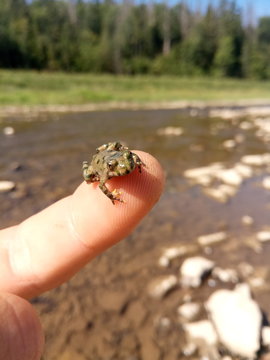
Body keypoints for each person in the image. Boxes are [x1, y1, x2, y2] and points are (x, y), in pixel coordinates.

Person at [0, 151, 164, 360]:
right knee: (89, 178)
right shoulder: (105, 173)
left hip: (110, 155)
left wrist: (135, 162)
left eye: (129, 161)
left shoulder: (126, 161)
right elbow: (103, 186)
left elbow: (127, 157)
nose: (126, 167)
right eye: (119, 167)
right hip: (101, 162)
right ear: (110, 169)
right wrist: (113, 195)